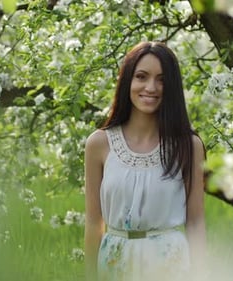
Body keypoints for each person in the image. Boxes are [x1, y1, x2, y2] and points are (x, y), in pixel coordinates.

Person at [84, 41, 206, 281]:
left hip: (171, 264)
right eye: (141, 76)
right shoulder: (99, 144)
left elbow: (196, 222)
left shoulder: (188, 146)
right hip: (114, 262)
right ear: (127, 81)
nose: (151, 87)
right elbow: (93, 222)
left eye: (162, 79)